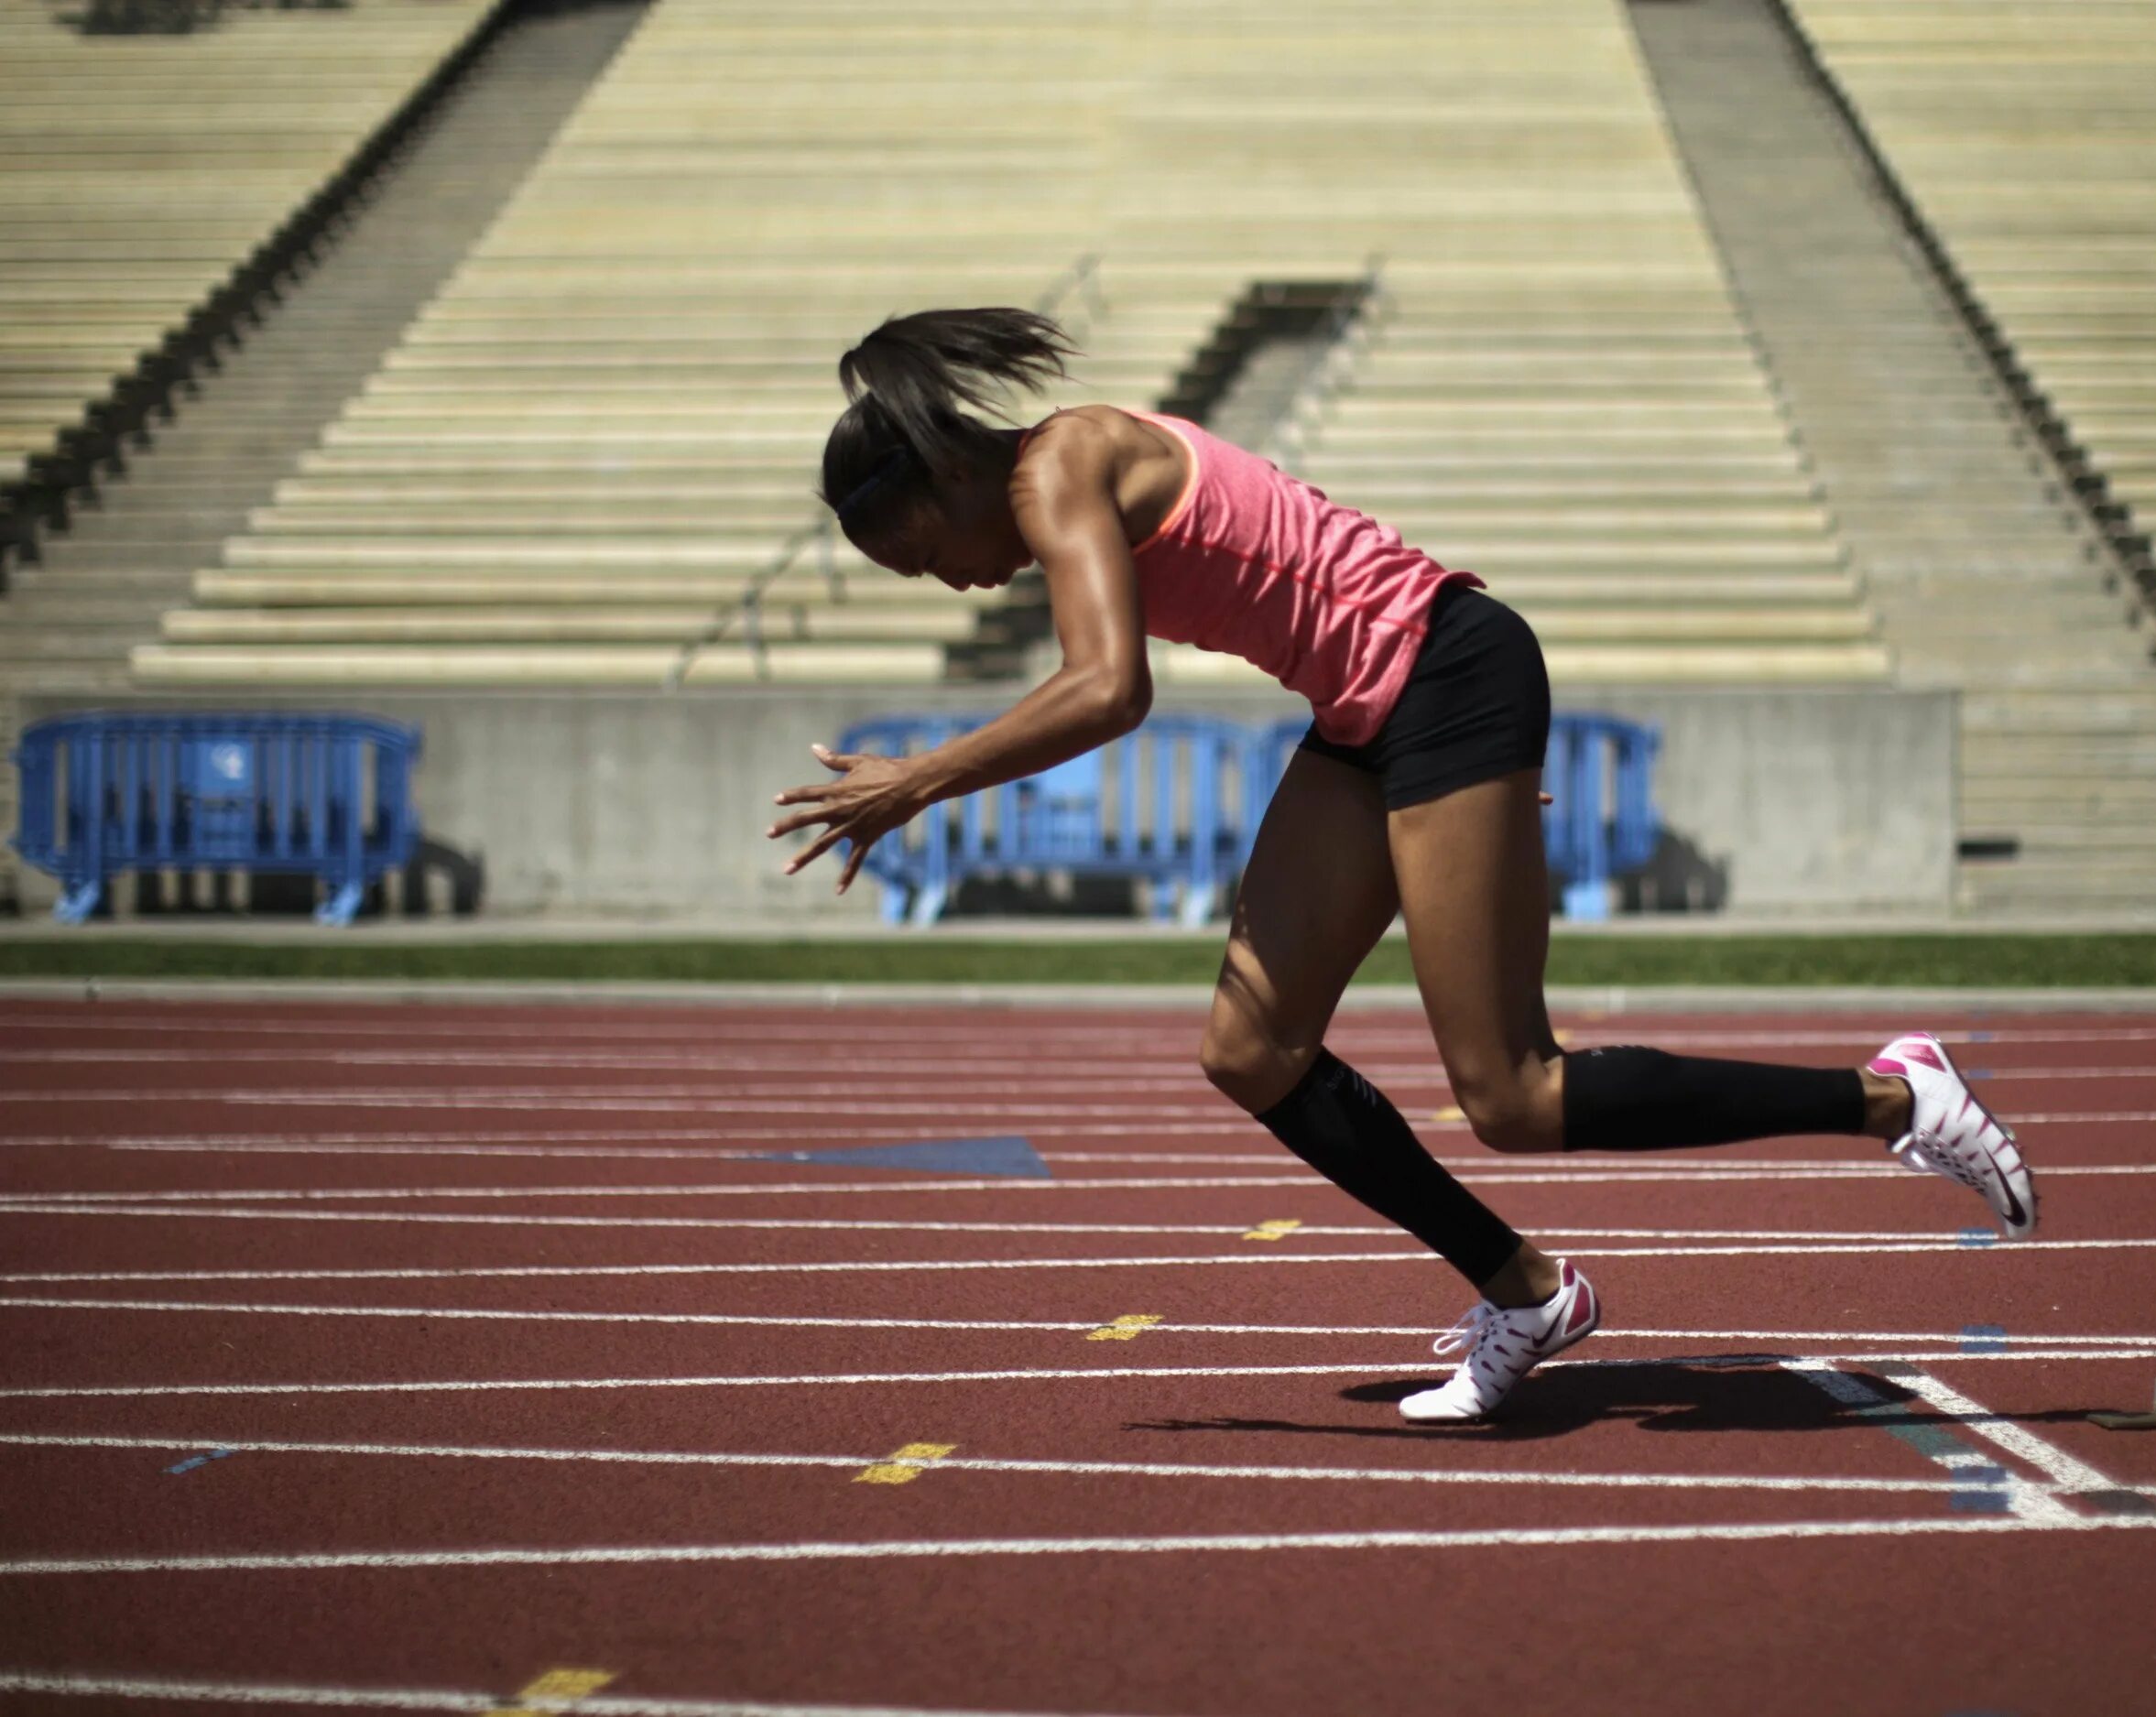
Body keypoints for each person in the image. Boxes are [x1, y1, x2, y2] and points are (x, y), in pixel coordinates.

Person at [768, 307, 2037, 1422]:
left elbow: (1108, 690)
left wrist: (919, 778)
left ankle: (1893, 1097)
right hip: (1367, 711)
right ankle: (1529, 1293)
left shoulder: (1062, 468)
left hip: (1450, 674)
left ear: (940, 478)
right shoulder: (1060, 478)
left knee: (1515, 1095)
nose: (945, 581)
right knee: (1251, 1053)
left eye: (921, 552)